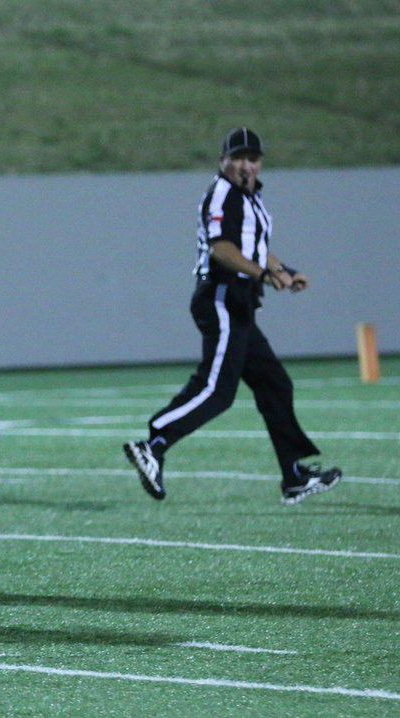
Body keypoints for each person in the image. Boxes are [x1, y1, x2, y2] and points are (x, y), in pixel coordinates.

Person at [123, 127, 342, 505]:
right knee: (216, 390)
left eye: (252, 159)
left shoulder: (247, 198)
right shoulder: (224, 195)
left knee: (275, 383)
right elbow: (222, 250)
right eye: (237, 158)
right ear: (222, 160)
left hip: (239, 302)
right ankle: (153, 444)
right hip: (223, 297)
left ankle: (293, 476)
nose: (245, 165)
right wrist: (264, 273)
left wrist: (283, 269)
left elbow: (253, 248)